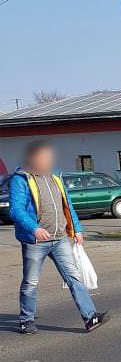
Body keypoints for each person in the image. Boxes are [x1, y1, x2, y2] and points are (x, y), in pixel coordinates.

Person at [9, 140, 109, 334]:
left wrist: (76, 229)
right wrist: (33, 228)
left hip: (60, 237)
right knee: (31, 282)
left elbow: (67, 205)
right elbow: (16, 210)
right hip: (35, 241)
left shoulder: (55, 176)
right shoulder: (20, 179)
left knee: (74, 277)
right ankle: (26, 320)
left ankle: (90, 318)